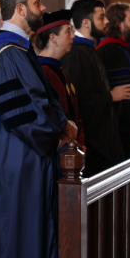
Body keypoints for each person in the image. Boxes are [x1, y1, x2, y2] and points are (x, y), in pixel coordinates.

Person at [0, 0, 75, 258]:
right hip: (18, 161)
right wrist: (61, 127)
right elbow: (24, 115)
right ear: (20, 9)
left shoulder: (20, 48)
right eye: (37, 3)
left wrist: (62, 123)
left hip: (28, 158)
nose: (43, 8)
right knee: (21, 239)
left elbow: (43, 95)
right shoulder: (6, 53)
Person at [61, 0, 130, 177]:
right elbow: (80, 103)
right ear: (86, 22)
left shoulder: (90, 50)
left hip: (106, 138)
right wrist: (111, 96)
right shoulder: (77, 53)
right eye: (101, 17)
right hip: (93, 145)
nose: (106, 21)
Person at [97, 2, 130, 157]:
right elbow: (125, 95)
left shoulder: (125, 48)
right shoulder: (109, 51)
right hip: (122, 129)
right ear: (119, 23)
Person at [36, 9, 86, 179]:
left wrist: (80, 141)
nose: (73, 36)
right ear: (53, 38)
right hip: (57, 157)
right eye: (68, 31)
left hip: (73, 150)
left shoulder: (59, 70)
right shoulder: (42, 72)